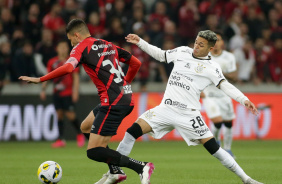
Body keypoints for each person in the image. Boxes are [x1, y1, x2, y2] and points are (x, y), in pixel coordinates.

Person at [95, 31, 263, 184]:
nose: (196, 47)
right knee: (131, 132)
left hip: (188, 115)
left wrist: (244, 100)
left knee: (214, 148)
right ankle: (115, 171)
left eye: (201, 45)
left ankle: (246, 179)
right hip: (165, 109)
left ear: (210, 48)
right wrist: (140, 42)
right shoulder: (183, 51)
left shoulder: (212, 68)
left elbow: (225, 86)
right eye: (196, 42)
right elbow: (161, 55)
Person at [19, 19, 155, 184]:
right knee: (85, 126)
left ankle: (141, 167)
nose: (71, 43)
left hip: (113, 102)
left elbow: (69, 68)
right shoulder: (107, 44)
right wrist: (124, 84)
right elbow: (136, 63)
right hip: (119, 98)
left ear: (76, 35)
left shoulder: (81, 47)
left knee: (93, 151)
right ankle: (115, 171)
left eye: (70, 39)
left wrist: (41, 79)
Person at [40, 40, 85, 148]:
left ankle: (80, 134)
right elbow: (48, 76)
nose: (63, 49)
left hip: (68, 92)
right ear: (57, 49)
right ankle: (60, 139)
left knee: (70, 115)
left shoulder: (72, 61)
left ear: (68, 49)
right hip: (57, 92)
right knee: (59, 115)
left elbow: (76, 77)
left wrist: (75, 91)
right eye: (61, 47)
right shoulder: (52, 62)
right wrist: (43, 89)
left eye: (65, 47)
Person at [200, 32, 237, 157]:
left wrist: (220, 73)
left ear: (222, 43)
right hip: (209, 95)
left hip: (224, 95)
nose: (216, 43)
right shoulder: (204, 56)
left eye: (218, 40)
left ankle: (228, 149)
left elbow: (234, 76)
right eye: (213, 41)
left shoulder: (229, 57)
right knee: (217, 121)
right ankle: (216, 144)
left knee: (228, 123)